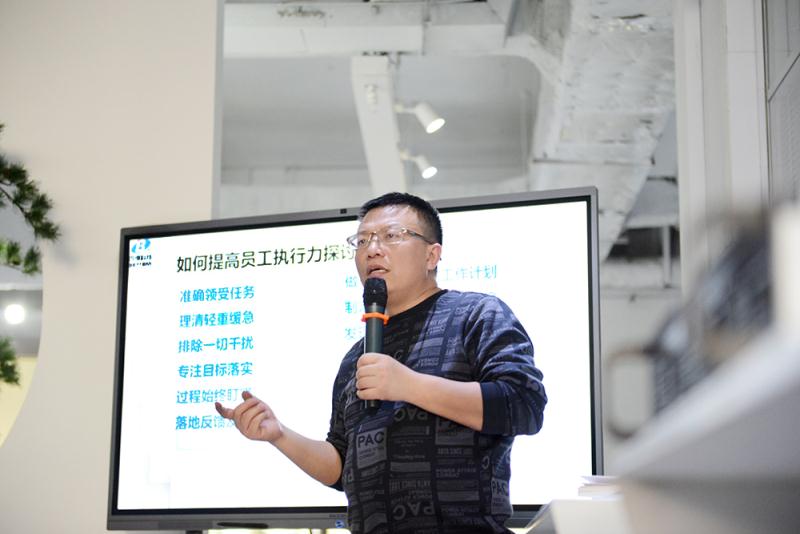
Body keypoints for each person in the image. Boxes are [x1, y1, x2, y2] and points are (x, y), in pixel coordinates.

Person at [216, 192, 547, 533]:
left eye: (392, 235)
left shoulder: (476, 314)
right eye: (362, 240)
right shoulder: (356, 357)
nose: (372, 249)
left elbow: (524, 404)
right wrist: (279, 434)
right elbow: (341, 467)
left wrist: (408, 385)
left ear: (432, 255)